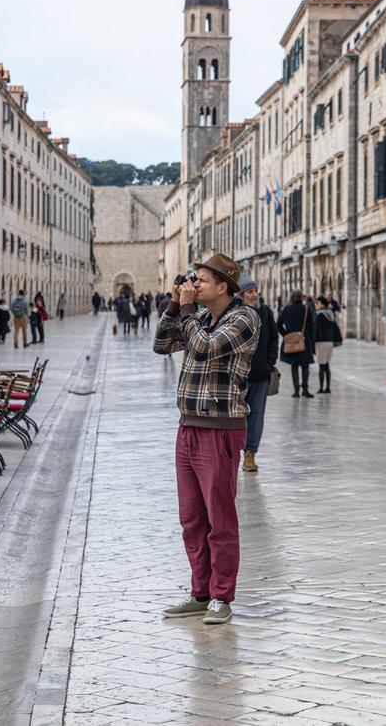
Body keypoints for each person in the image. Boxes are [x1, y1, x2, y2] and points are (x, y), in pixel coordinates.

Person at [153, 253, 259, 626]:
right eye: (193, 280)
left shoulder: (244, 318)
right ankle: (200, 593)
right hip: (188, 427)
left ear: (223, 286)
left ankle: (221, 596)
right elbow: (162, 345)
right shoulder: (198, 316)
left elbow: (203, 348)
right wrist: (173, 303)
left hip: (221, 428)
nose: (194, 285)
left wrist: (185, 308)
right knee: (191, 519)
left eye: (200, 280)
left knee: (220, 519)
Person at [239, 276, 278, 473]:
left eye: (255, 291)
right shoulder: (235, 314)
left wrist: (269, 362)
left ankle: (250, 453)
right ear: (242, 295)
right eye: (250, 292)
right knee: (237, 415)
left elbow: (273, 338)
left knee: (256, 415)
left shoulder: (265, 312)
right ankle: (233, 451)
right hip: (238, 376)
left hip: (260, 374)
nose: (254, 295)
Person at [277, 291, 316, 398]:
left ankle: (296, 390)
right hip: (304, 341)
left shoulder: (286, 309)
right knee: (305, 367)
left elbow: (279, 324)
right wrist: (311, 340)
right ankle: (305, 389)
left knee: (294, 366)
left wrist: (285, 334)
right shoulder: (306, 309)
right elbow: (312, 326)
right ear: (301, 298)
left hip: (290, 341)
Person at [312, 297, 342, 394]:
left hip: (321, 342)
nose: (316, 304)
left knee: (321, 366)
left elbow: (316, 330)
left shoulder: (319, 315)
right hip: (329, 342)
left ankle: (321, 388)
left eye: (317, 303)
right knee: (326, 365)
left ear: (323, 304)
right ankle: (328, 388)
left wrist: (312, 343)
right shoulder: (330, 314)